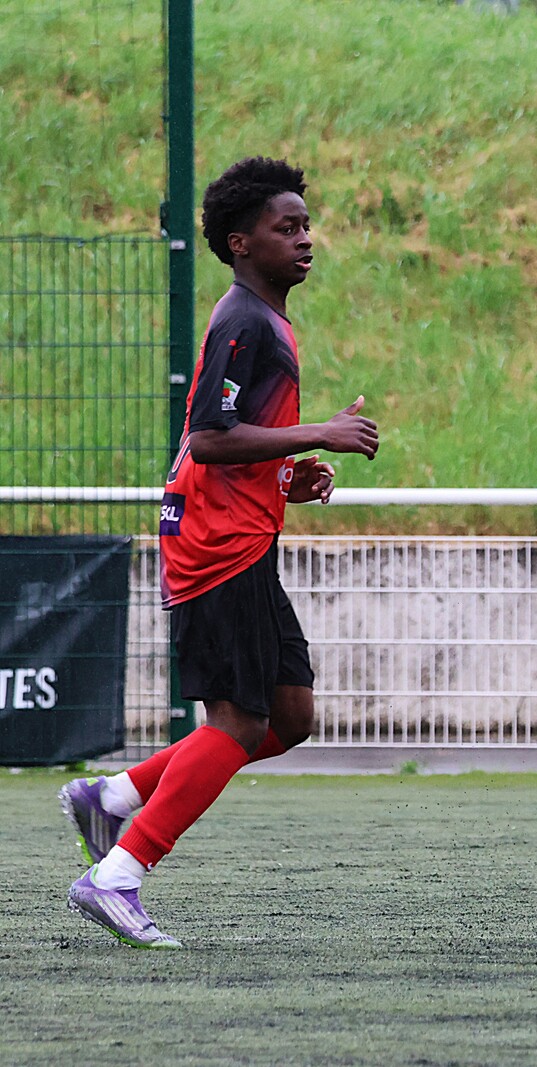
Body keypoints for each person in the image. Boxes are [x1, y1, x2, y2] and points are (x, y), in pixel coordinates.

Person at [60, 156, 380, 949]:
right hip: (217, 549)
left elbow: (232, 439)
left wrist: (287, 476)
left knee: (290, 716)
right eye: (286, 227)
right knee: (236, 722)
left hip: (243, 537)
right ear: (241, 243)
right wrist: (320, 431)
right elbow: (207, 437)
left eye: (306, 224)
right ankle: (118, 873)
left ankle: (116, 795)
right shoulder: (244, 319)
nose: (305, 239)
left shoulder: (264, 319)